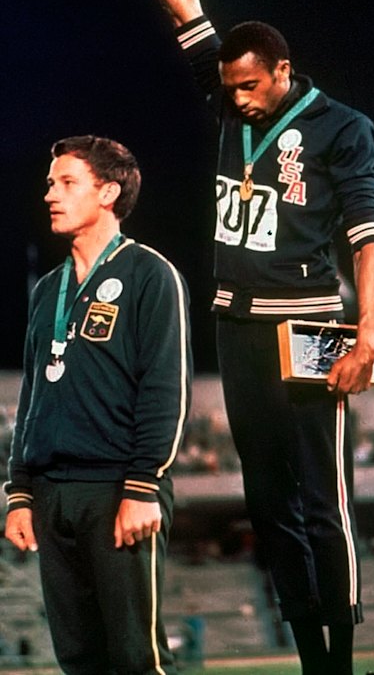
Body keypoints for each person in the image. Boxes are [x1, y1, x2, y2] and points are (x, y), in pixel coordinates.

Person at [113, 0, 374, 675]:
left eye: (247, 87)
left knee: (323, 502)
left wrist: (366, 336)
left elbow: (369, 240)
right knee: (269, 507)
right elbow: (183, 4)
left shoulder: (344, 129)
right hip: (237, 325)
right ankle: (310, 658)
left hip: (312, 328)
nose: (233, 100)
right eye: (227, 88)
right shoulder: (229, 94)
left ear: (281, 71)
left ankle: (341, 655)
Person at [4, 135, 193, 675]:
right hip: (50, 494)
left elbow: (165, 390)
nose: (50, 195)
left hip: (117, 492)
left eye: (67, 183)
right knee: (80, 660)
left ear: (108, 192)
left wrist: (142, 486)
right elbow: (33, 396)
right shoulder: (47, 291)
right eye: (49, 183)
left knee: (138, 660)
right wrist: (20, 493)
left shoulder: (150, 275)